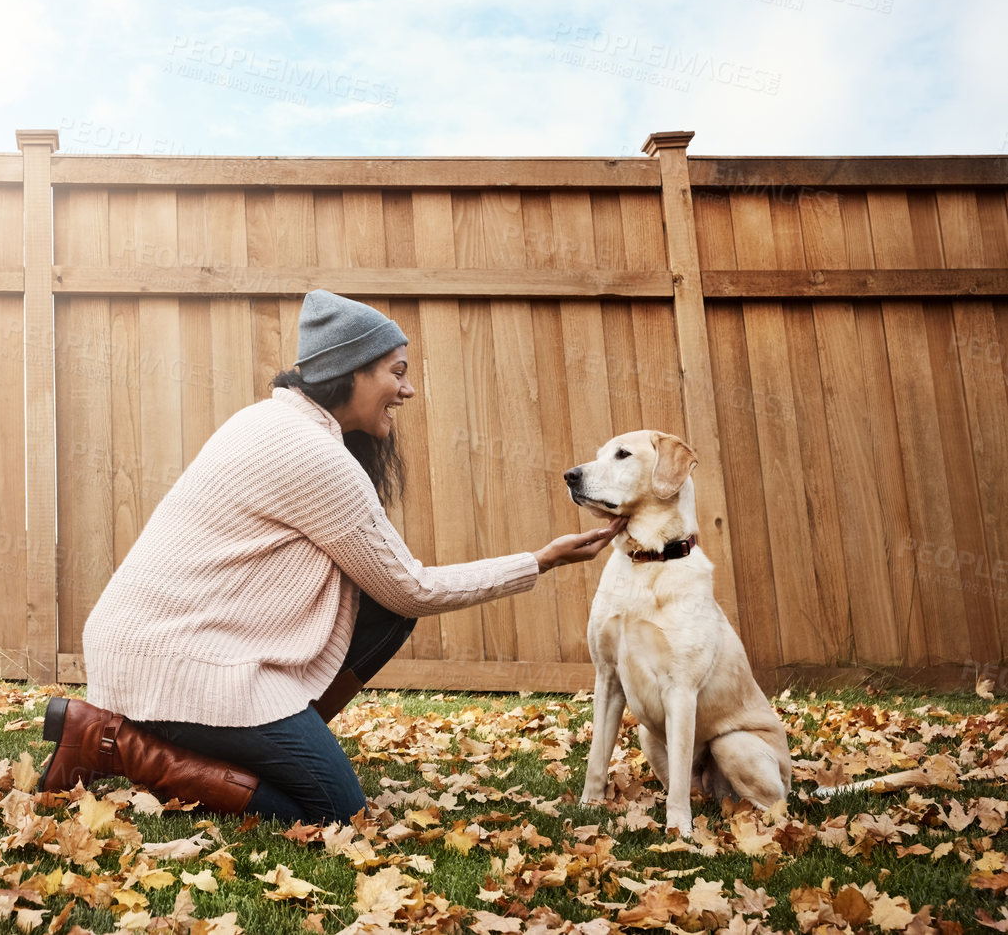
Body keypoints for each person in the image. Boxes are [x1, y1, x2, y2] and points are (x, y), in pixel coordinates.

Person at [38, 289, 623, 822]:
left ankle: (262, 746)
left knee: (385, 618)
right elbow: (409, 586)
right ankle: (112, 742)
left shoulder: (270, 421)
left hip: (157, 647)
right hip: (175, 662)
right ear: (352, 372)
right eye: (396, 372)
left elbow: (389, 597)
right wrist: (540, 561)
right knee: (336, 810)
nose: (408, 389)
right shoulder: (312, 454)